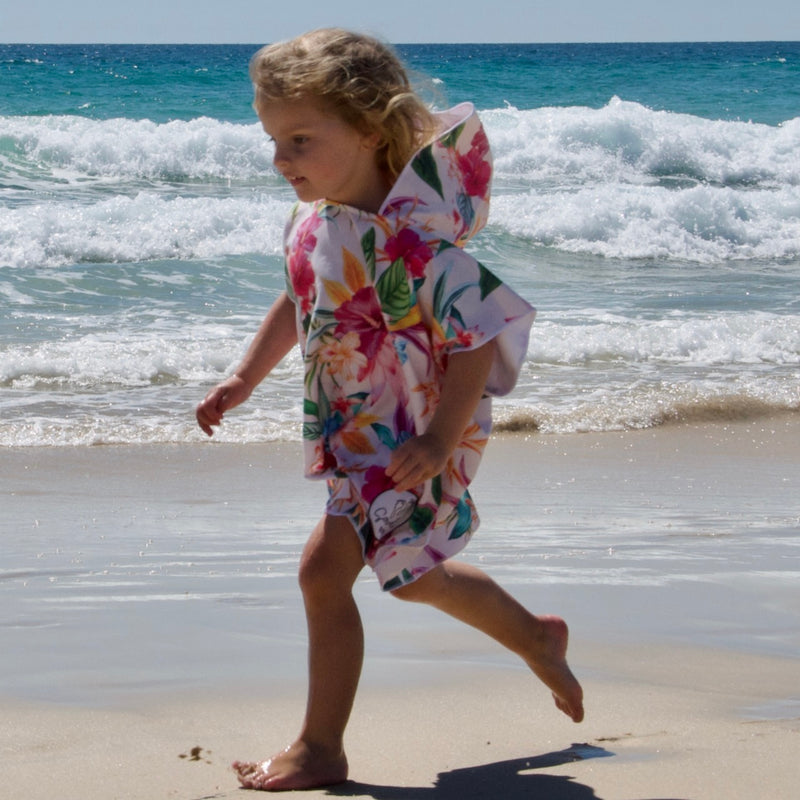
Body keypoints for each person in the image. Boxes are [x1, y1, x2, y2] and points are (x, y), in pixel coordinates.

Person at [195, 28, 584, 792]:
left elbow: (478, 333)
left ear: (371, 129)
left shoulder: (417, 243)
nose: (281, 159)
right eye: (273, 139)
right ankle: (536, 636)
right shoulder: (314, 224)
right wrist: (244, 377)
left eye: (300, 139)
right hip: (356, 434)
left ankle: (321, 749)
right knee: (410, 577)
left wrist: (442, 438)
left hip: (414, 437)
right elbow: (299, 297)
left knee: (325, 575)